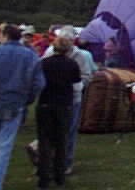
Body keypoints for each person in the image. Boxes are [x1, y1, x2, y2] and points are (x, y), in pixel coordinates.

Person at [0, 24, 45, 190]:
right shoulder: (31, 56)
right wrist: (28, 100)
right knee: (4, 146)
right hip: (16, 105)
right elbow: (38, 83)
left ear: (5, 35)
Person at [42, 26, 92, 175]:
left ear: (72, 41)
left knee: (69, 131)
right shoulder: (49, 54)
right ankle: (49, 161)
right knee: (51, 130)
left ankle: (65, 162)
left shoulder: (80, 56)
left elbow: (86, 77)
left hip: (72, 100)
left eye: (68, 40)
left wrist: (75, 87)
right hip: (52, 98)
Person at [36, 37, 81, 189]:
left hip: (45, 104)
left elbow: (37, 83)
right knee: (62, 140)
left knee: (45, 141)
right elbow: (77, 86)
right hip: (64, 106)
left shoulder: (43, 63)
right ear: (69, 49)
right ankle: (59, 176)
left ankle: (43, 178)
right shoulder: (72, 64)